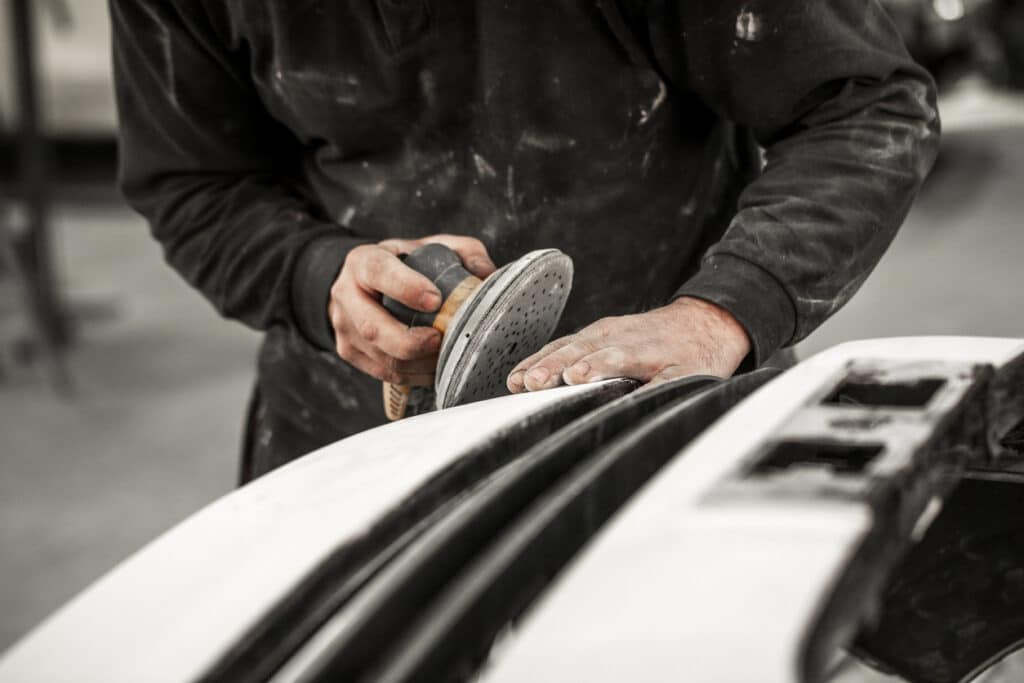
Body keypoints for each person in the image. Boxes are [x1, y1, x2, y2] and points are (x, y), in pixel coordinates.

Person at [109, 1, 939, 481]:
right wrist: (315, 275)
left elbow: (864, 106)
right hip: (349, 434)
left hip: (664, 408)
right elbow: (194, 181)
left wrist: (718, 315)